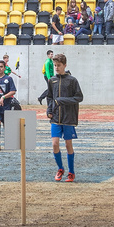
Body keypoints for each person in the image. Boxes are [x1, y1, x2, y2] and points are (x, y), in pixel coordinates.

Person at [37, 53, 84, 182]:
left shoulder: (72, 80)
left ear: (65, 65)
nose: (56, 68)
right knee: (54, 144)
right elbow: (50, 97)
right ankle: (60, 168)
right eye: (55, 65)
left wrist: (62, 100)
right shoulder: (52, 80)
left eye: (59, 65)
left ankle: (71, 172)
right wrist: (49, 110)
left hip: (69, 118)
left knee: (68, 145)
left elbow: (79, 97)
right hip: (55, 118)